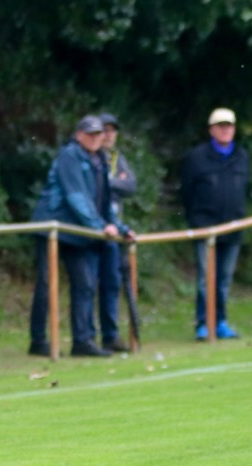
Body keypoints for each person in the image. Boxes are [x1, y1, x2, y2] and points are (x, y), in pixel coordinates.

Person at [28, 115, 123, 357]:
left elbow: (103, 201)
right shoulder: (69, 155)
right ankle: (38, 340)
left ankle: (83, 341)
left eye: (98, 134)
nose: (95, 138)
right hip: (55, 227)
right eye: (90, 134)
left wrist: (119, 227)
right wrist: (100, 226)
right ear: (79, 134)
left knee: (86, 284)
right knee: (46, 284)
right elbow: (76, 197)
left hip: (79, 232)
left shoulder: (101, 159)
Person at [180, 107, 249, 341]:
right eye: (220, 126)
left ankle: (220, 321)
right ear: (211, 130)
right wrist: (197, 220)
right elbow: (187, 193)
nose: (225, 130)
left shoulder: (241, 156)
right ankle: (203, 322)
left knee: (224, 280)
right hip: (205, 227)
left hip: (233, 228)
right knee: (204, 278)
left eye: (229, 126)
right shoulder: (196, 157)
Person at [97, 112, 137, 352]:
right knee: (91, 286)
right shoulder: (89, 157)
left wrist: (110, 181)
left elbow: (131, 185)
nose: (109, 135)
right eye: (105, 130)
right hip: (96, 229)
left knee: (113, 283)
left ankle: (111, 336)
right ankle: (88, 338)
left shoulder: (116, 157)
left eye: (113, 130)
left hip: (115, 229)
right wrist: (111, 180)